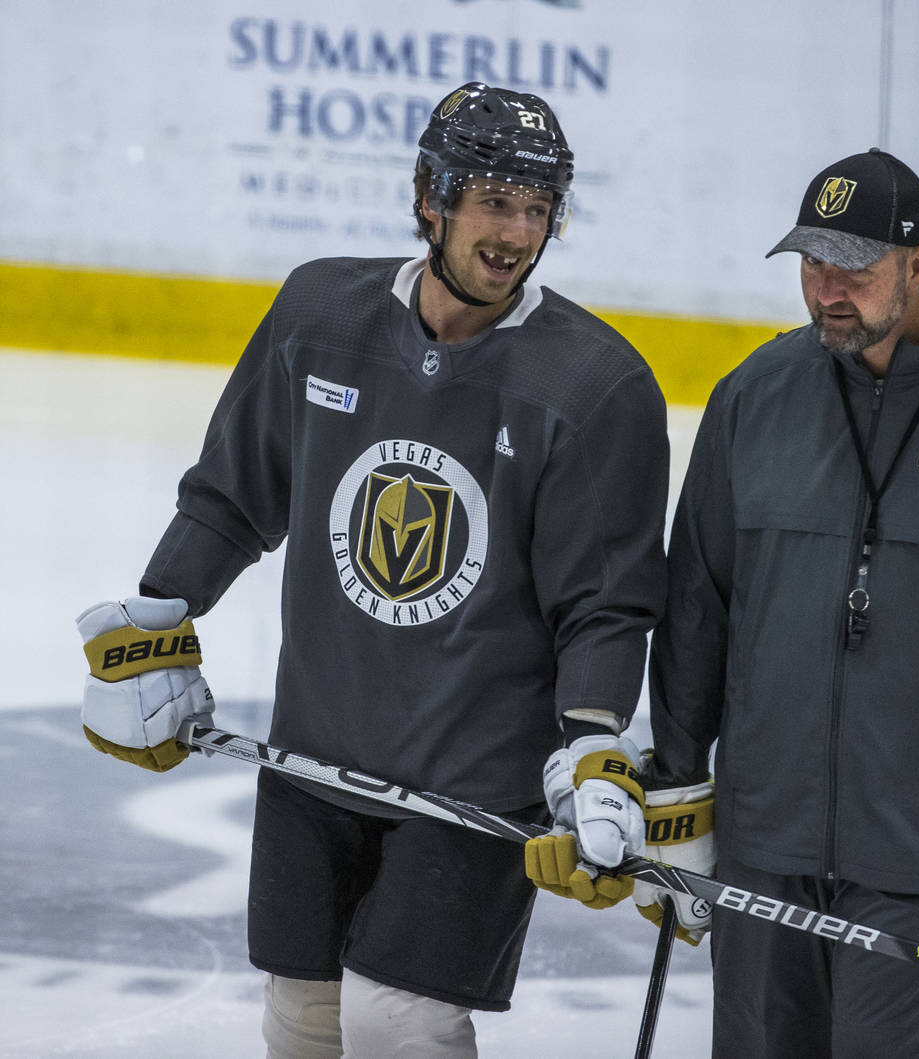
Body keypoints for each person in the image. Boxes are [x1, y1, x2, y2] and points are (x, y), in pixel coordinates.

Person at [75, 81, 669, 1058]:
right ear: (428, 196)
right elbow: (233, 495)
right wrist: (153, 623)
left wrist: (595, 747)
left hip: (471, 783)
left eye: (536, 208)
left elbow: (603, 605)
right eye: (492, 200)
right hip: (314, 753)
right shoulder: (323, 313)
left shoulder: (596, 385)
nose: (515, 232)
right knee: (301, 1021)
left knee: (402, 1025)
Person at [635, 148, 919, 1056]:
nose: (826, 292)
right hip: (763, 845)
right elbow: (698, 607)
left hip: (917, 858)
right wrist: (680, 790)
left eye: (854, 267)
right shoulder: (752, 400)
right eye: (812, 265)